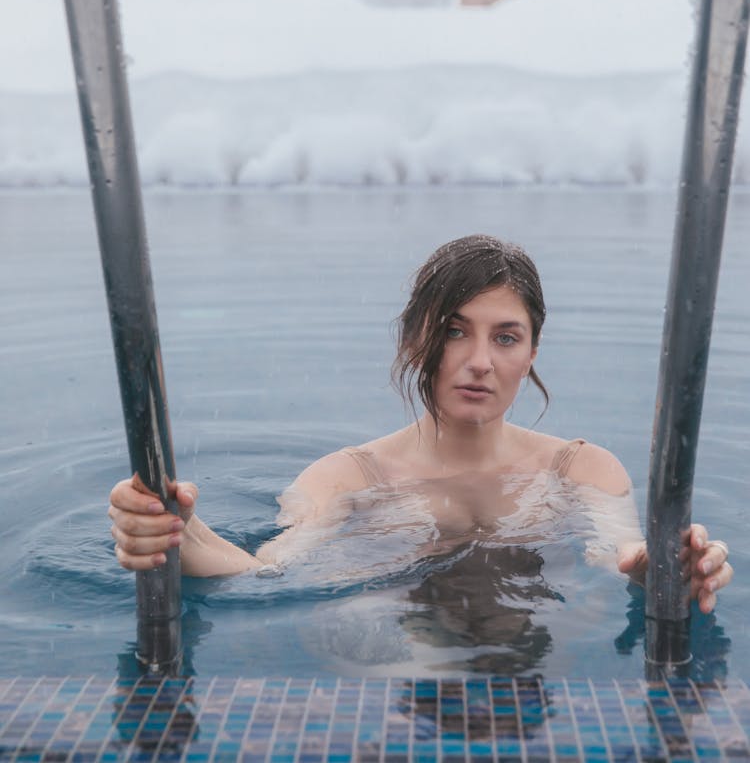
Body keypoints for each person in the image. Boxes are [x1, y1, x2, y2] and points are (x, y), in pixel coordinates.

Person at [108, 234, 732, 613]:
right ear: (416, 338)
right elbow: (272, 575)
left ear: (532, 355)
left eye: (506, 337)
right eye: (455, 330)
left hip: (535, 646)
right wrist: (176, 534)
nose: (480, 361)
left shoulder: (581, 468)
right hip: (394, 650)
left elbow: (614, 557)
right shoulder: (346, 478)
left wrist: (668, 566)